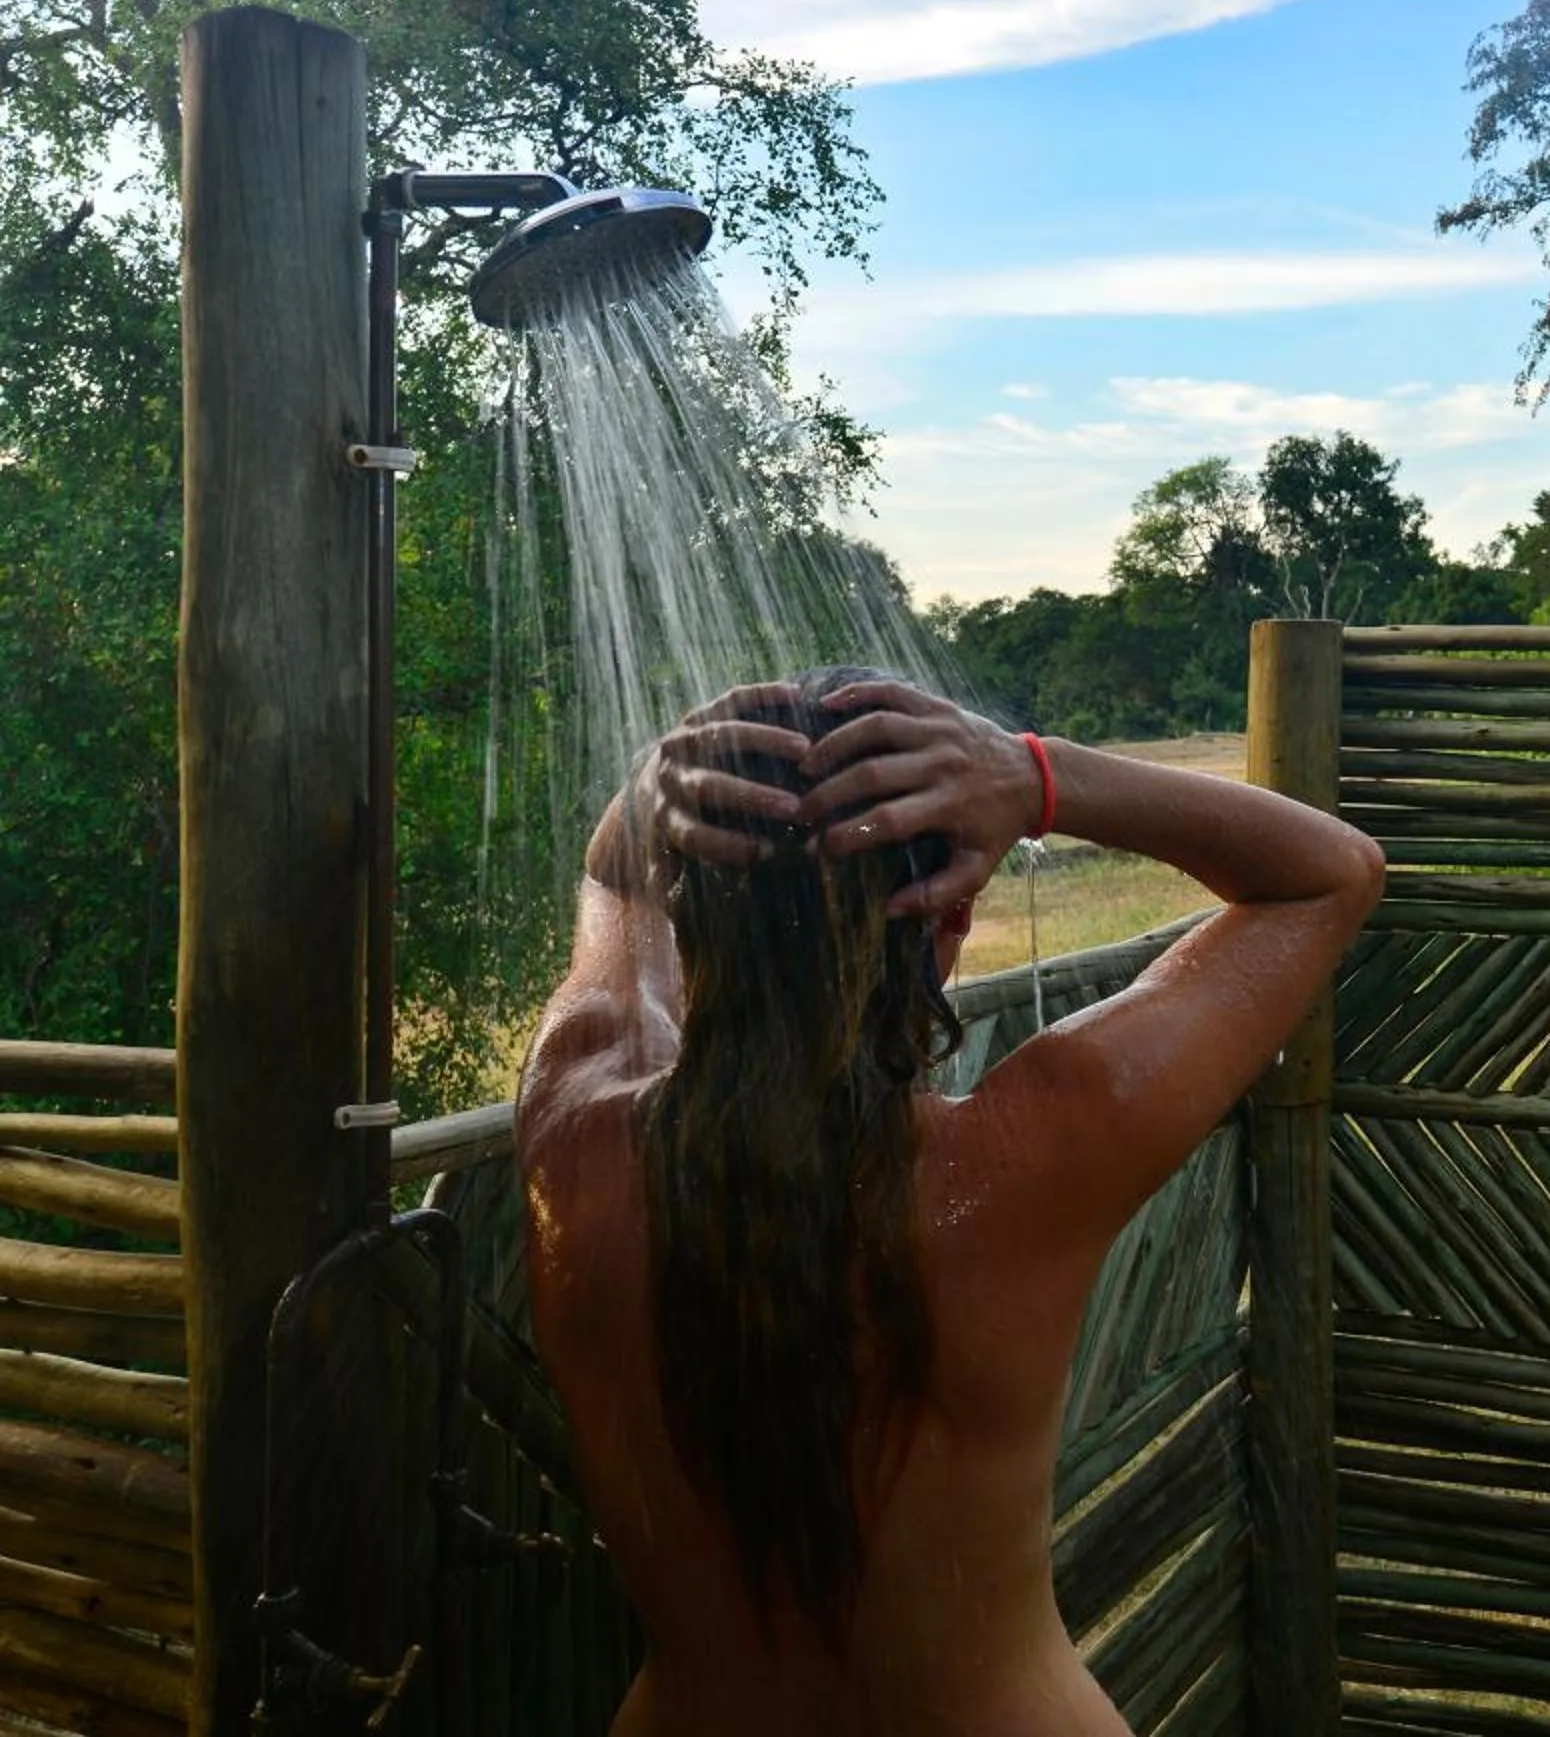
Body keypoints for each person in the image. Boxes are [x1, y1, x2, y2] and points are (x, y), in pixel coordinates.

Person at [515, 670, 1384, 1736]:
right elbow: (1329, 873)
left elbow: (614, 879)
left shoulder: (575, 1138)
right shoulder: (1035, 1153)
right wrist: (1036, 776)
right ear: (954, 904)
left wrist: (650, 792)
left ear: (697, 905)